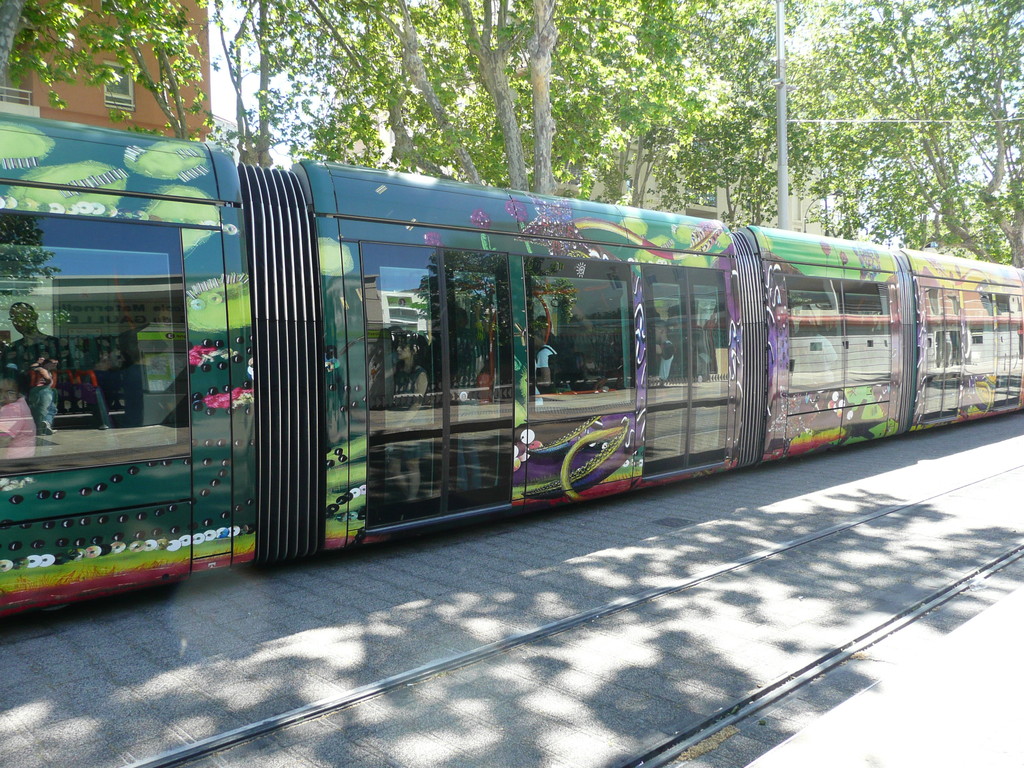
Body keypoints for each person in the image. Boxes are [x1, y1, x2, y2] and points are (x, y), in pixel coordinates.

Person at [0, 377, 36, 458]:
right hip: (24, 458)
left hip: (10, 462)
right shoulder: (21, 403)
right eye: (0, 391)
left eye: (10, 392)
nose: (3, 396)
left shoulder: (12, 409)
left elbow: (2, 441)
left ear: (18, 393)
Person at [27, 357, 58, 435]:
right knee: (47, 409)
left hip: (39, 391)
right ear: (47, 363)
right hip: (43, 390)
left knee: (46, 409)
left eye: (56, 364)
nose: (55, 365)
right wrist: (49, 381)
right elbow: (46, 377)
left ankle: (43, 427)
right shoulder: (42, 369)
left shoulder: (42, 369)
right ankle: (45, 425)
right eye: (53, 363)